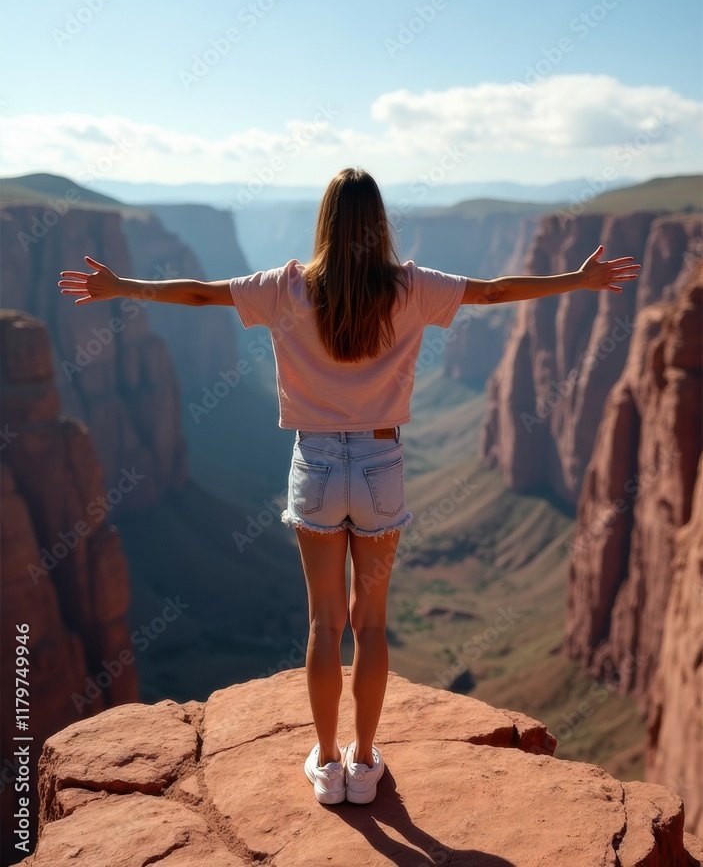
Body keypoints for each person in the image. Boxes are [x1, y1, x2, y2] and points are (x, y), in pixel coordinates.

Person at [57, 165, 640, 805]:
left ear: (326, 224)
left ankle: (327, 765)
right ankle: (365, 765)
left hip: (314, 467)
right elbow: (495, 292)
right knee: (372, 625)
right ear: (379, 225)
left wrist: (119, 287)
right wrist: (579, 280)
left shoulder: (285, 288)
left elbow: (201, 294)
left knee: (323, 623)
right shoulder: (411, 286)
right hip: (380, 465)